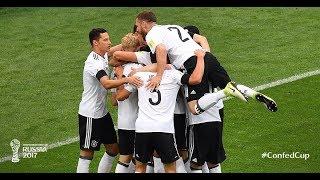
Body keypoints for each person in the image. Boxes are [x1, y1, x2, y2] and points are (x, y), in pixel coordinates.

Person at [134, 11, 278, 118]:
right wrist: (204, 55)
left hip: (192, 63)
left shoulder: (152, 34)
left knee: (194, 108)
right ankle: (254, 94)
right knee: (229, 83)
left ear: (144, 23)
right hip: (206, 56)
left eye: (137, 25)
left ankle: (225, 92)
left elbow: (161, 49)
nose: (137, 29)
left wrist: (159, 76)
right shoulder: (173, 27)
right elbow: (198, 39)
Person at [123, 49, 206, 173]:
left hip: (142, 129)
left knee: (139, 168)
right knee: (170, 169)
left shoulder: (138, 76)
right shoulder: (174, 75)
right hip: (164, 130)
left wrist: (139, 70)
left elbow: (123, 93)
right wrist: (200, 57)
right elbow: (196, 79)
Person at [76, 28, 142, 173]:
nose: (109, 42)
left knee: (113, 149)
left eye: (108, 38)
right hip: (90, 114)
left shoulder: (103, 55)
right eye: (105, 40)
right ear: (95, 43)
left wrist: (136, 41)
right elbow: (106, 83)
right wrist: (127, 79)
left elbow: (122, 48)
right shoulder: (94, 63)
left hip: (102, 113)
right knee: (87, 153)